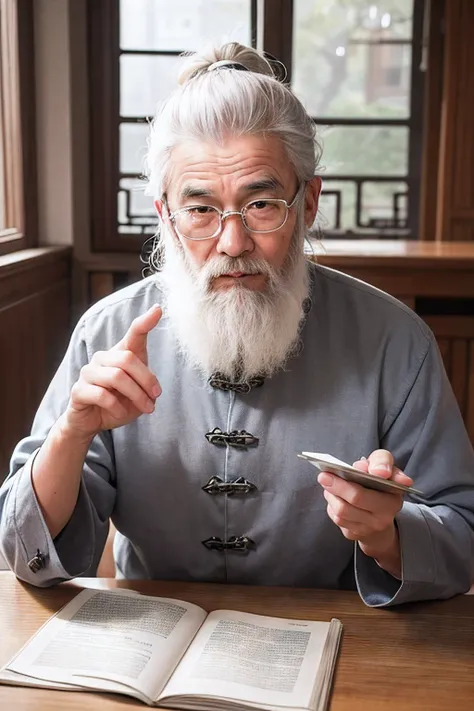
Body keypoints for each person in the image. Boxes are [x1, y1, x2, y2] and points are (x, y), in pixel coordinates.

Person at [1, 43, 474, 607]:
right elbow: (22, 548)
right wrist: (72, 432)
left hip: (335, 643)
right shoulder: (107, 331)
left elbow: (461, 539)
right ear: (166, 217)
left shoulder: (395, 341)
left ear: (308, 201)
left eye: (261, 204)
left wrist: (384, 534)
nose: (232, 242)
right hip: (154, 643)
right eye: (201, 209)